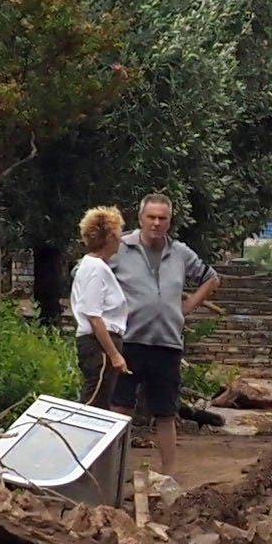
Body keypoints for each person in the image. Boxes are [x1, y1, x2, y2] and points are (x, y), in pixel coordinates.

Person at [114, 190, 215, 470]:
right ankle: (113, 472)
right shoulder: (120, 248)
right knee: (120, 408)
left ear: (170, 221)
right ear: (140, 218)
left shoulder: (180, 253)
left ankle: (168, 474)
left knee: (166, 412)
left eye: (162, 218)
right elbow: (88, 273)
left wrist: (186, 308)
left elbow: (210, 278)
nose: (156, 223)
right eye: (151, 217)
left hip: (167, 343)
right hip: (129, 341)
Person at [67, 205, 129, 406]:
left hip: (100, 343)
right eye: (117, 234)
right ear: (109, 238)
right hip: (98, 345)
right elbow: (94, 316)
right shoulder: (95, 268)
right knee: (93, 404)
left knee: (101, 401)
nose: (120, 240)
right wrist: (114, 354)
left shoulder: (96, 266)